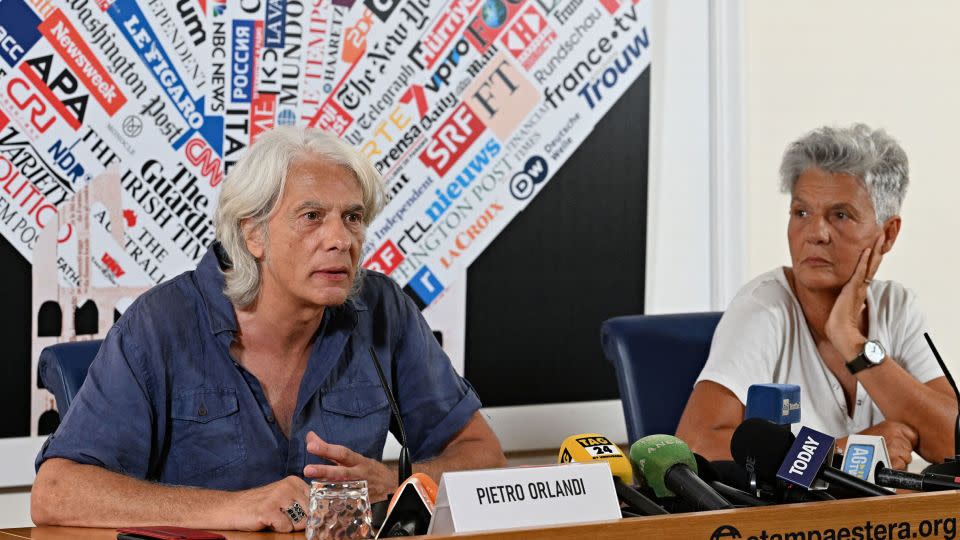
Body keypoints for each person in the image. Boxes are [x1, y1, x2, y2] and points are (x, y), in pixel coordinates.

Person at [31, 127, 506, 531]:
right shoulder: (162, 324)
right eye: (312, 217)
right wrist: (234, 507)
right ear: (252, 233)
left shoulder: (382, 310)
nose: (341, 240)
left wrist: (400, 481)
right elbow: (56, 492)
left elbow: (481, 455)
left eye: (353, 218)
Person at [676, 124, 957, 470]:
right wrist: (837, 453)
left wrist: (851, 342)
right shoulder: (763, 308)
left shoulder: (896, 307)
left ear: (888, 234)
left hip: (881, 524)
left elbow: (953, 442)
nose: (815, 233)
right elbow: (696, 444)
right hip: (790, 525)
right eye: (801, 213)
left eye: (841, 215)